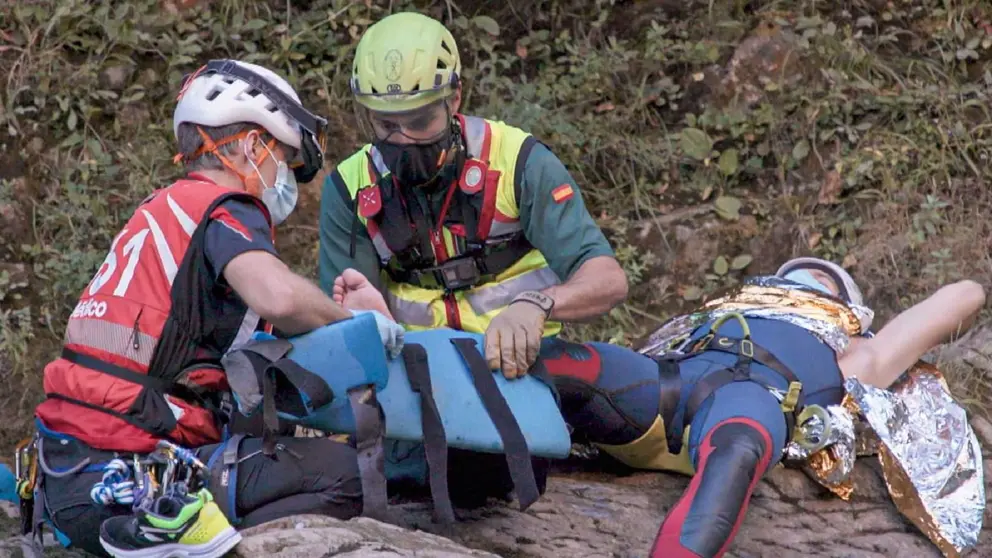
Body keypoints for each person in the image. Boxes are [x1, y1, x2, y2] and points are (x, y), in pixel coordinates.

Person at [337, 255, 986, 558]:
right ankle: (403, 343)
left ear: (845, 306)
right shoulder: (711, 316)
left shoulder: (857, 352)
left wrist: (864, 329)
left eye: (823, 278)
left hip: (751, 402)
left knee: (736, 452)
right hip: (662, 382)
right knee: (560, 358)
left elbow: (963, 293)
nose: (805, 279)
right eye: (797, 273)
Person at [27, 59, 406, 558]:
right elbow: (280, 297)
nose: (285, 178)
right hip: (136, 473)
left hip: (66, 477)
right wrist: (356, 321)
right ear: (252, 147)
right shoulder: (225, 205)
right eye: (284, 160)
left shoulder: (160, 212)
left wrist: (330, 316)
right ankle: (189, 537)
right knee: (349, 475)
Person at [318, 11, 629, 380]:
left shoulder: (517, 162)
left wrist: (538, 303)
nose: (402, 139)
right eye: (385, 124)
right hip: (417, 373)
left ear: (454, 99)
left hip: (524, 363)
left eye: (419, 121)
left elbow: (607, 279)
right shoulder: (351, 186)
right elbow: (342, 320)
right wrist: (365, 321)